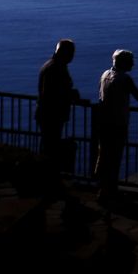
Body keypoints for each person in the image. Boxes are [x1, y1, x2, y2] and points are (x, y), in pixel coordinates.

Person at [94, 49, 138, 203]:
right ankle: (110, 192)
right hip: (117, 124)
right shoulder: (124, 79)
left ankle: (103, 189)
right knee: (114, 158)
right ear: (123, 62)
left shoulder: (104, 75)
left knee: (104, 156)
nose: (133, 63)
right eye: (130, 61)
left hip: (103, 123)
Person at [36, 39, 81, 176]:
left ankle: (47, 178)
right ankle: (47, 179)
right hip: (51, 114)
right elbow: (50, 93)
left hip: (48, 114)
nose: (72, 56)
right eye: (71, 53)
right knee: (50, 148)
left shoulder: (52, 66)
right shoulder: (55, 68)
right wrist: (70, 94)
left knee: (48, 146)